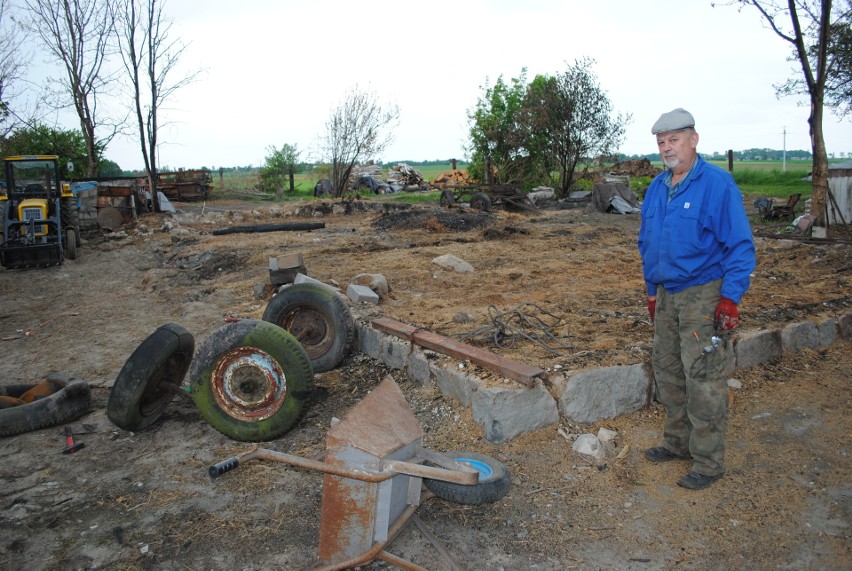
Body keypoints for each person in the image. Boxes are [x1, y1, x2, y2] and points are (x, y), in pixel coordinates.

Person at [637, 108, 756, 490]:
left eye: (674, 140)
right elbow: (647, 243)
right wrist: (651, 292)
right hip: (667, 293)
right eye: (661, 142)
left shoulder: (717, 185)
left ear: (693, 140)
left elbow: (739, 245)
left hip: (703, 292)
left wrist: (730, 298)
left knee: (703, 376)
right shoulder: (657, 187)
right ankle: (677, 443)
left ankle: (707, 462)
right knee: (668, 370)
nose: (666, 148)